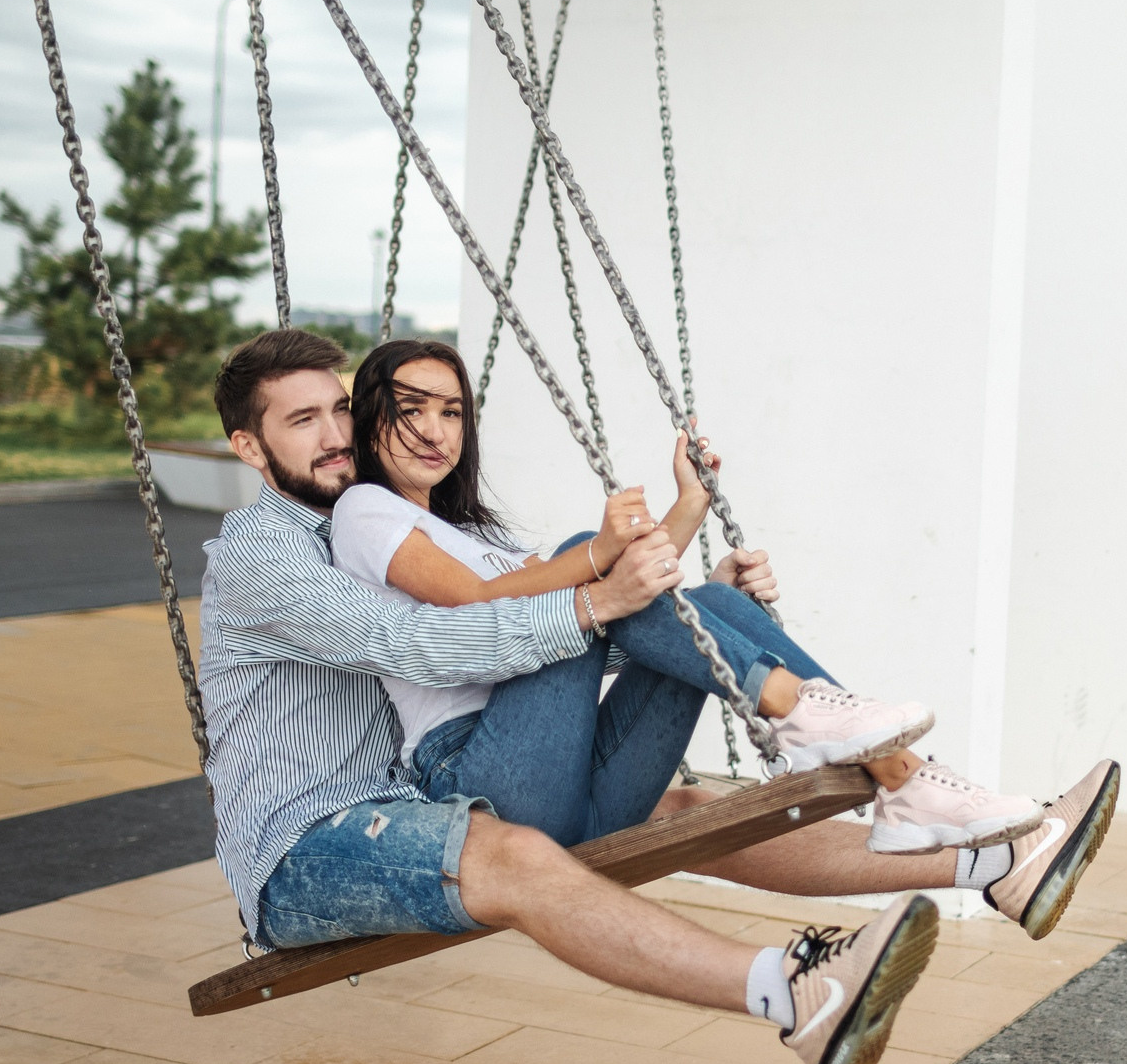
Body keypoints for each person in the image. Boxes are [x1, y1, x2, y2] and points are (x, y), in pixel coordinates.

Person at [199, 328, 1119, 1064]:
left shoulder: (413, 527)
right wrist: (599, 591)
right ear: (249, 445)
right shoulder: (269, 551)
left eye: (338, 414)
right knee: (523, 830)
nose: (336, 436)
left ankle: (990, 856)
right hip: (311, 839)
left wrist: (696, 589)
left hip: (454, 788)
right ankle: (795, 984)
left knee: (682, 788)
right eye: (304, 420)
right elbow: (428, 638)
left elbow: (574, 594)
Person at [328, 336, 1048, 858]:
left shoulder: (474, 532)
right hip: (484, 784)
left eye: (452, 412)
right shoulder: (366, 508)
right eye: (411, 408)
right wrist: (596, 553)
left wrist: (690, 503)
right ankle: (805, 715)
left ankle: (902, 784)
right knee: (595, 558)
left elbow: (619, 594)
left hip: (588, 798)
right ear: (368, 417)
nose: (433, 429)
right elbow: (477, 600)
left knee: (715, 601)